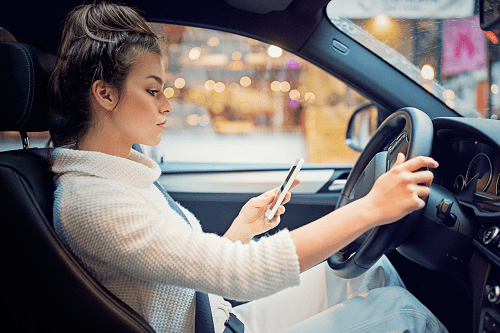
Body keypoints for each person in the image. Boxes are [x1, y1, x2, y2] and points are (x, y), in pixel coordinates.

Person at [48, 2, 447, 333]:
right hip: (216, 327)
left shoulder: (117, 175)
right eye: (153, 90)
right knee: (402, 314)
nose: (166, 105)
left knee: (368, 273)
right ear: (105, 94)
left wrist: (242, 229)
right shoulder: (92, 201)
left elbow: (184, 268)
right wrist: (371, 208)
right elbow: (240, 272)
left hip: (221, 319)